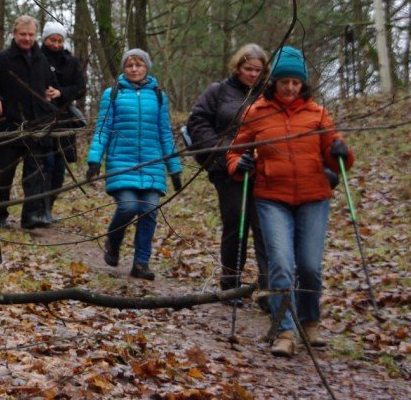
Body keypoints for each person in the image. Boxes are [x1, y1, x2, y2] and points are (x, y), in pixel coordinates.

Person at [227, 46, 353, 358]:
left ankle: (310, 321)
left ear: (303, 84)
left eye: (296, 83)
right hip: (272, 198)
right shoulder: (256, 113)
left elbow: (339, 159)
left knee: (309, 266)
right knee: (281, 264)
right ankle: (285, 329)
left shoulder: (318, 114)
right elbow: (235, 151)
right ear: (275, 81)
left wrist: (341, 152)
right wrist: (238, 165)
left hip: (314, 197)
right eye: (285, 82)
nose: (290, 88)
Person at [86, 48, 182, 280]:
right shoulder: (113, 94)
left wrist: (175, 168)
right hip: (122, 162)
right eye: (130, 65)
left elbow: (164, 133)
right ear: (124, 68)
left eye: (139, 64)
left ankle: (141, 263)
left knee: (149, 209)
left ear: (146, 67)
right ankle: (114, 240)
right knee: (128, 206)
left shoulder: (158, 95)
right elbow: (103, 128)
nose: (134, 69)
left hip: (152, 164)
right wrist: (94, 160)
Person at [185, 43, 270, 297]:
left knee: (264, 227)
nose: (253, 74)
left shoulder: (268, 94)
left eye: (258, 70)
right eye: (248, 69)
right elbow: (197, 122)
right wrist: (223, 151)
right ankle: (230, 283)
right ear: (237, 67)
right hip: (227, 169)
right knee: (236, 223)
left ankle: (269, 288)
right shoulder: (218, 91)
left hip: (263, 169)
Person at [0, 15, 59, 229]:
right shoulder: (1, 59)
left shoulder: (42, 59)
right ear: (14, 34)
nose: (27, 38)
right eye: (23, 34)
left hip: (37, 125)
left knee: (34, 173)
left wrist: (52, 92)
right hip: (10, 124)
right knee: (4, 172)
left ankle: (30, 216)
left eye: (31, 35)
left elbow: (50, 84)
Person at [39, 22, 87, 223]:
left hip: (65, 119)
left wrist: (61, 93)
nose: (56, 44)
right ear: (45, 39)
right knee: (45, 164)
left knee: (59, 167)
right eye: (52, 40)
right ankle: (38, 207)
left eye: (60, 40)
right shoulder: (36, 58)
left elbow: (80, 87)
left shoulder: (72, 62)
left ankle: (49, 206)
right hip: (40, 118)